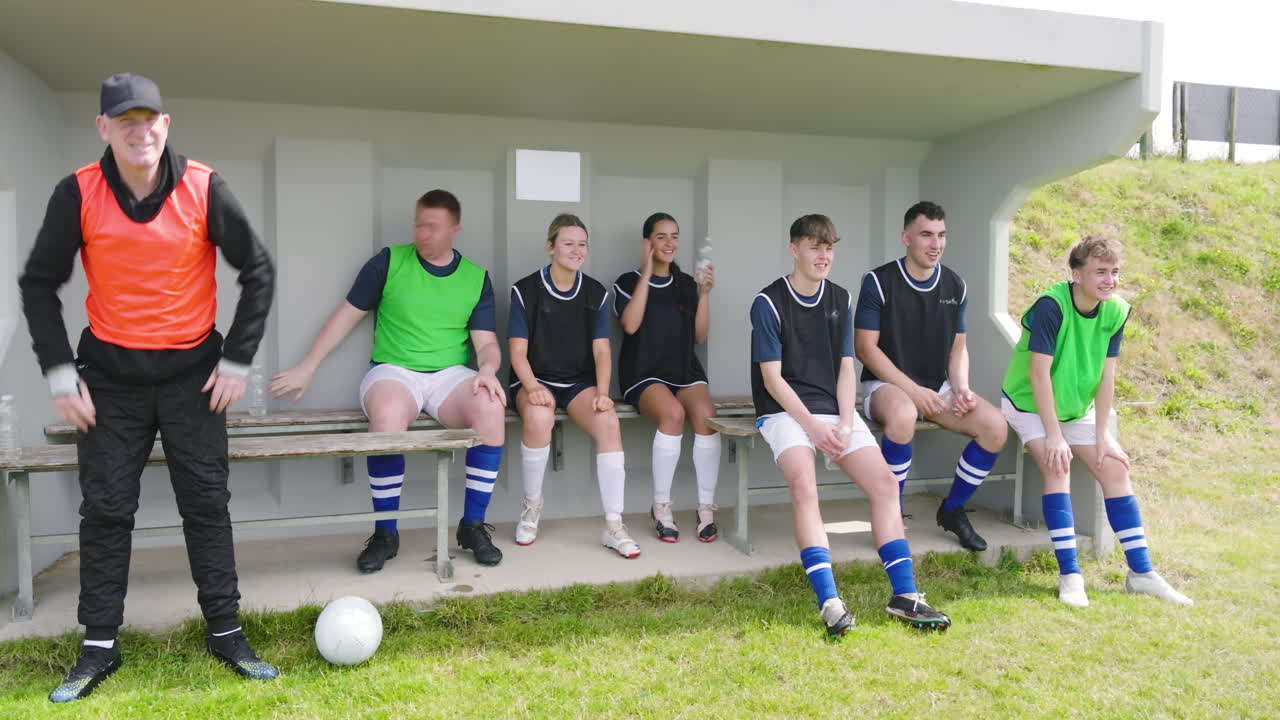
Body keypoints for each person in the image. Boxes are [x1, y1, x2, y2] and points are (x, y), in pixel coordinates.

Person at [18, 73, 278, 702]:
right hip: (110, 380)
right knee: (106, 510)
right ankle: (99, 646)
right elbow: (38, 283)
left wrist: (238, 361)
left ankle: (226, 630)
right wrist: (59, 372)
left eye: (150, 119)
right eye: (124, 121)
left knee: (206, 504)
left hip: (194, 377)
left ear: (167, 124)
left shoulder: (202, 187)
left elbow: (259, 270)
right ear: (103, 128)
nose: (140, 131)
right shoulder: (78, 191)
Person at [270, 189, 506, 571]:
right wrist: (308, 365)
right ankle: (385, 533)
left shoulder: (476, 278)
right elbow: (347, 315)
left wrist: (488, 370)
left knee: (492, 407)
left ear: (454, 230)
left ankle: (472, 525)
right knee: (389, 416)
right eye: (419, 224)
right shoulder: (389, 262)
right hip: (394, 370)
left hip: (449, 376)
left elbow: (487, 343)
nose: (422, 233)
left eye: (433, 227)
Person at [749, 214, 951, 636]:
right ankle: (830, 601)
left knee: (883, 485)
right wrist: (813, 429)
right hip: (784, 411)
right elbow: (772, 378)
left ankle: (905, 595)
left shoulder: (840, 297)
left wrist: (843, 419)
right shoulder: (768, 302)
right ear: (794, 249)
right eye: (813, 246)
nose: (823, 255)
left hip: (834, 410)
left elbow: (846, 368)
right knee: (804, 485)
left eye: (829, 247)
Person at [1002, 236, 1192, 608]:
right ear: (1076, 274)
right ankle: (1070, 575)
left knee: (1116, 469)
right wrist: (1054, 436)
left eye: (1115, 272)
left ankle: (1141, 574)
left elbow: (1107, 376)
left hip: (1075, 409)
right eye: (1100, 272)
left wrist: (1103, 435)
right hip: (1029, 405)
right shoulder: (1051, 306)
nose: (1110, 280)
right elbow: (1039, 375)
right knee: (1058, 467)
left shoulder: (1116, 310)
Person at [854, 201, 1008, 551]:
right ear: (906, 238)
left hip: (937, 388)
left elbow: (958, 349)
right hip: (887, 386)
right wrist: (912, 391)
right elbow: (866, 349)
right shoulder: (878, 282)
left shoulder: (955, 284)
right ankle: (890, 513)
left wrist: (962, 387)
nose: (935, 243)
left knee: (995, 427)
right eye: (926, 235)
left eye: (941, 235)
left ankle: (953, 510)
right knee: (904, 413)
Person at [508, 214, 639, 558]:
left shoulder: (595, 291)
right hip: (533, 379)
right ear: (551, 247)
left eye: (582, 244)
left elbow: (601, 349)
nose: (576, 250)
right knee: (539, 416)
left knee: (609, 422)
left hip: (577, 383)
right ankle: (531, 508)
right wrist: (532, 386)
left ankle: (614, 525)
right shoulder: (525, 289)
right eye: (568, 243)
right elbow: (517, 353)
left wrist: (602, 392)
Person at [613, 213, 720, 543]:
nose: (669, 243)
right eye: (661, 237)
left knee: (706, 416)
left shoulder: (686, 284)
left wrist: (704, 294)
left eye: (674, 236)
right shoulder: (626, 281)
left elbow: (699, 336)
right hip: (644, 373)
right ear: (648, 243)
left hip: (683, 371)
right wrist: (647, 271)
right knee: (672, 414)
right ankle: (661, 507)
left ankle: (706, 510)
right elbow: (630, 325)